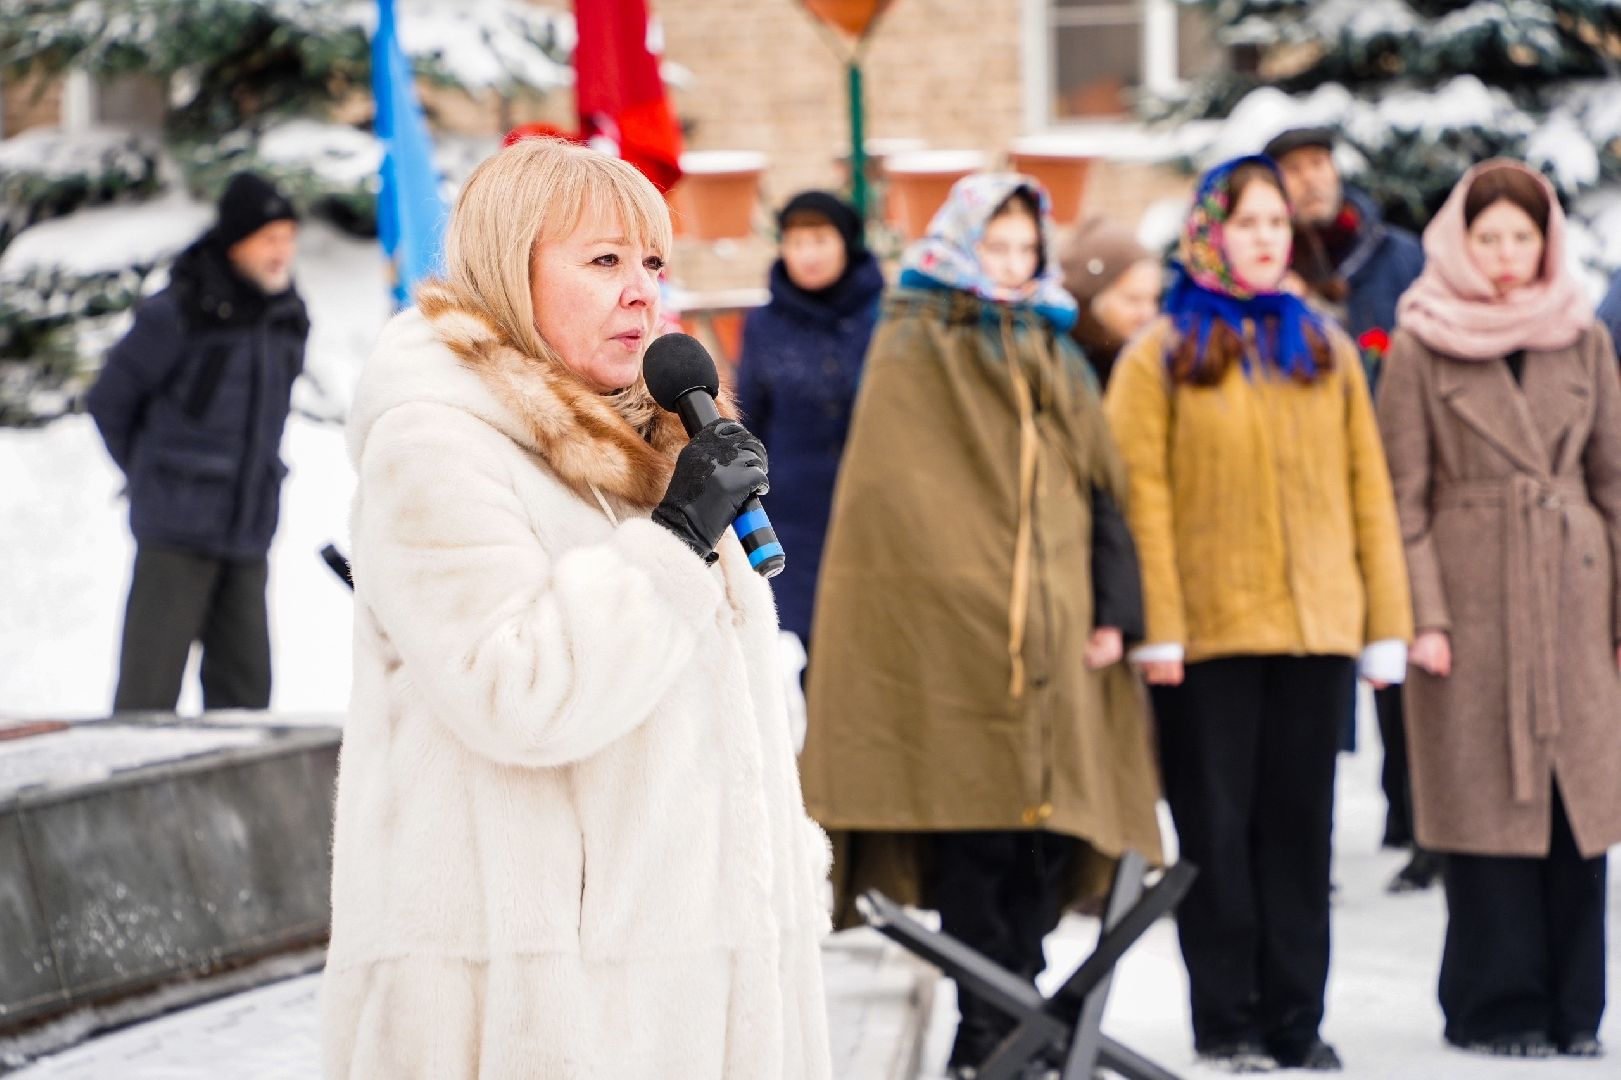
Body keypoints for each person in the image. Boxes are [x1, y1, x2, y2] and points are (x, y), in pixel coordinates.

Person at [320, 138, 833, 1079]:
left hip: (690, 990)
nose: (642, 290)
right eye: (604, 260)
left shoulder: (654, 441)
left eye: (652, 263)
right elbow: (518, 692)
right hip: (539, 1009)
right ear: (512, 274)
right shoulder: (434, 445)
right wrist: (676, 539)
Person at [799, 173, 1160, 1079]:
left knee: (1049, 827)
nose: (1008, 265)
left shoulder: (1055, 344)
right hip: (952, 640)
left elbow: (1100, 488)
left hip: (1059, 630)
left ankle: (1017, 1009)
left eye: (1022, 250)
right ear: (960, 245)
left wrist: (1115, 609)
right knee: (973, 824)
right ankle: (986, 1017)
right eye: (993, 247)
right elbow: (892, 495)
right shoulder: (915, 342)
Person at [1103, 155, 1412, 1073]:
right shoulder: (1161, 352)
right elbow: (1138, 497)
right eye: (1247, 223)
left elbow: (1368, 488)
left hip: (1315, 630)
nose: (1267, 237)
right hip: (1204, 639)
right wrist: (1156, 623)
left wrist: (1383, 619)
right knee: (1217, 833)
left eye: (1277, 223)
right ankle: (1228, 1019)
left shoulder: (1321, 345)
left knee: (1299, 832)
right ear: (1210, 234)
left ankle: (1294, 1017)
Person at [1377, 158, 1621, 1061]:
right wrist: (1425, 617)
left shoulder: (1581, 335)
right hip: (1470, 598)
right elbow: (1400, 497)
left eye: (1522, 237)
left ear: (1546, 240)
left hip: (1573, 592)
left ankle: (1575, 1009)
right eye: (1488, 238)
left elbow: (1613, 477)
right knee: (1486, 810)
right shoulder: (1419, 340)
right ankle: (1494, 1005)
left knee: (1576, 811)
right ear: (1458, 241)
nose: (1507, 256)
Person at [1264, 126, 1435, 889]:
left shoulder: (1392, 254)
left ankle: (1418, 823)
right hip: (1307, 492)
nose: (1310, 179)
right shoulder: (1272, 266)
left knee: (1405, 653)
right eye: (1294, 169)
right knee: (1319, 677)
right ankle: (1310, 843)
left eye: (1318, 163)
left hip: (1397, 477)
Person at [87, 171, 307, 713]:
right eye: (269, 238)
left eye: (288, 237)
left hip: (247, 535)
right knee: (147, 700)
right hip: (175, 536)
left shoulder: (287, 317)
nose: (282, 252)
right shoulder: (178, 311)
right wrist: (150, 474)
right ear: (237, 242)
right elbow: (109, 399)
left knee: (245, 700)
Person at [735, 191, 884, 654]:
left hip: (876, 511)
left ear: (846, 243)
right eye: (796, 242)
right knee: (812, 656)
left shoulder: (886, 317)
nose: (808, 255)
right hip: (795, 522)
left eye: (820, 239)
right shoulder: (763, 325)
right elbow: (750, 422)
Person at [1056, 214, 1163, 387]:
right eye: (1133, 299)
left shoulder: (1151, 360)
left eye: (1153, 298)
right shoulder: (1060, 364)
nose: (1148, 313)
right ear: (1092, 299)